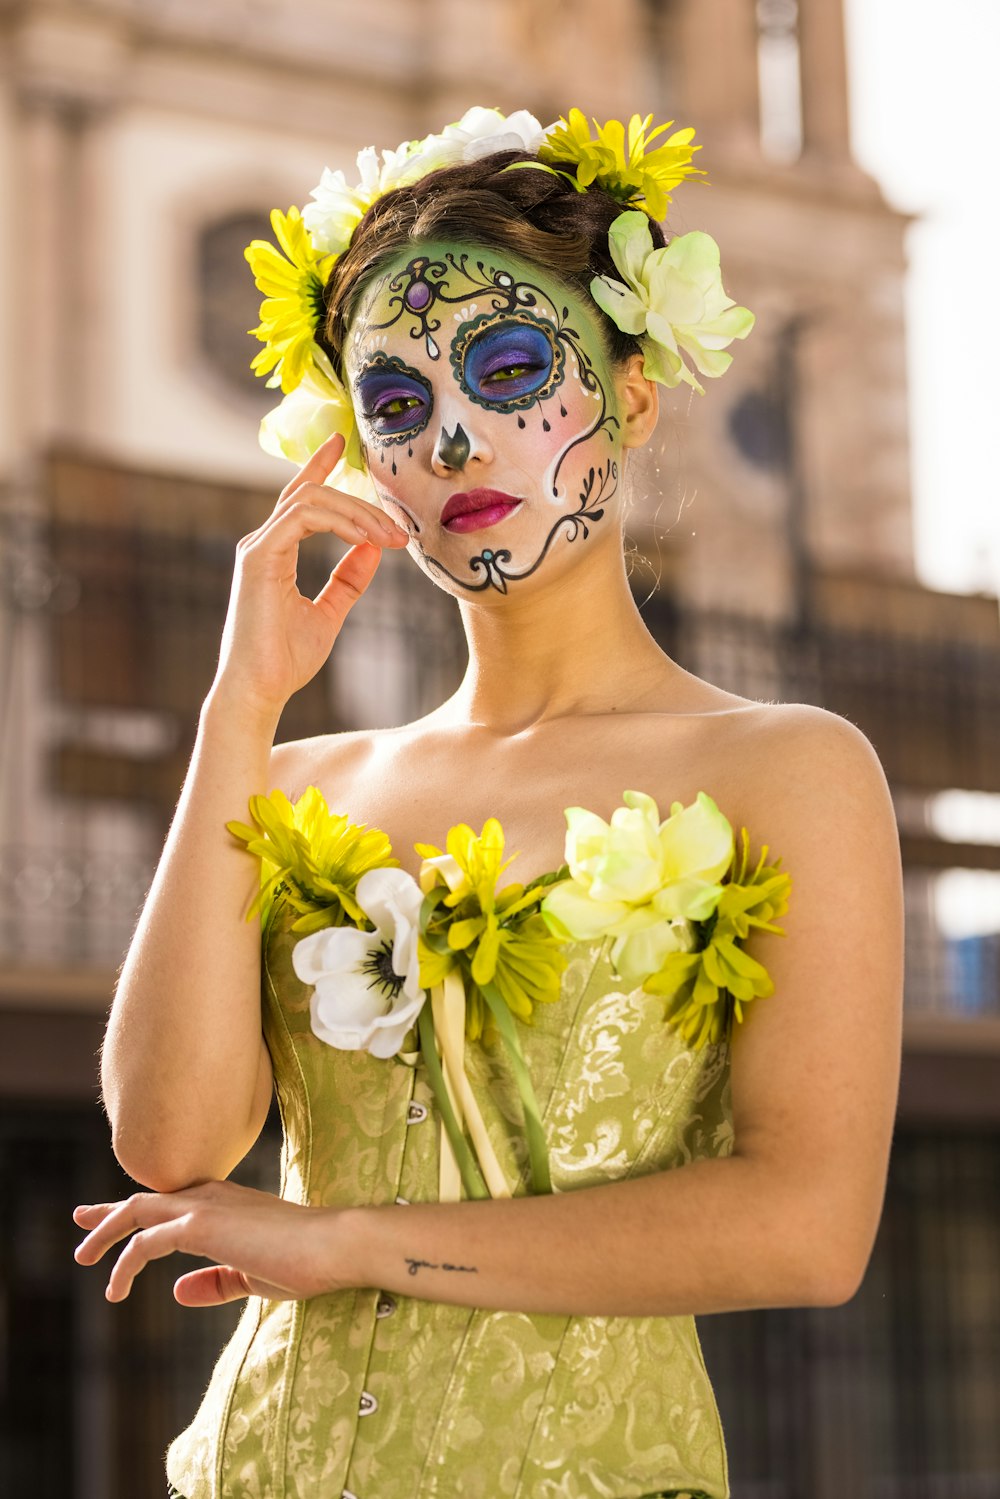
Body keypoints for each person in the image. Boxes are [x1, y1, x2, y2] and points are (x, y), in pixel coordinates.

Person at [72, 108, 904, 1499]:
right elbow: (167, 1143)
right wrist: (242, 701)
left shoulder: (788, 769)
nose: (454, 437)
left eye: (510, 370)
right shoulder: (292, 780)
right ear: (358, 458)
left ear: (630, 394)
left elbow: (807, 1233)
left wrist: (344, 1241)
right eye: (395, 404)